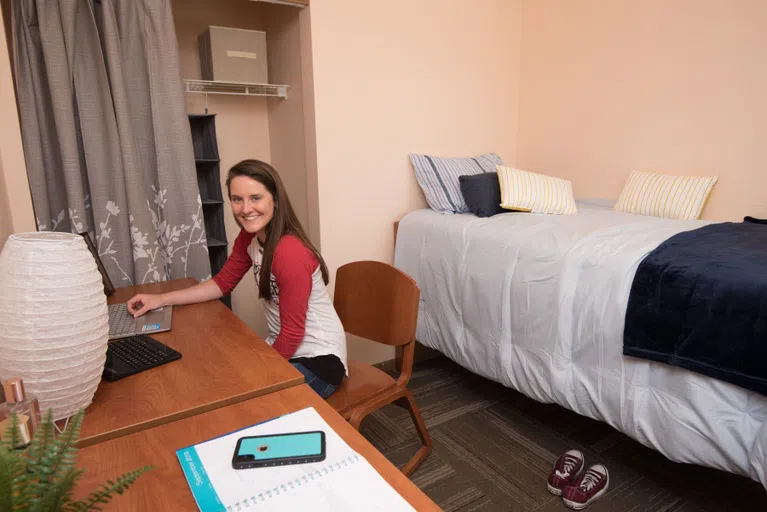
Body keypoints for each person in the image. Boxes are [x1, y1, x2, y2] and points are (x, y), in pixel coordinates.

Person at [126, 159, 347, 399]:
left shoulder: (290, 253)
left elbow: (292, 333)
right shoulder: (249, 238)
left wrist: (263, 369)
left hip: (319, 362)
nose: (245, 209)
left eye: (255, 198)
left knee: (240, 399)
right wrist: (160, 300)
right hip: (286, 349)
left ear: (275, 198)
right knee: (220, 378)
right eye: (237, 199)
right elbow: (222, 283)